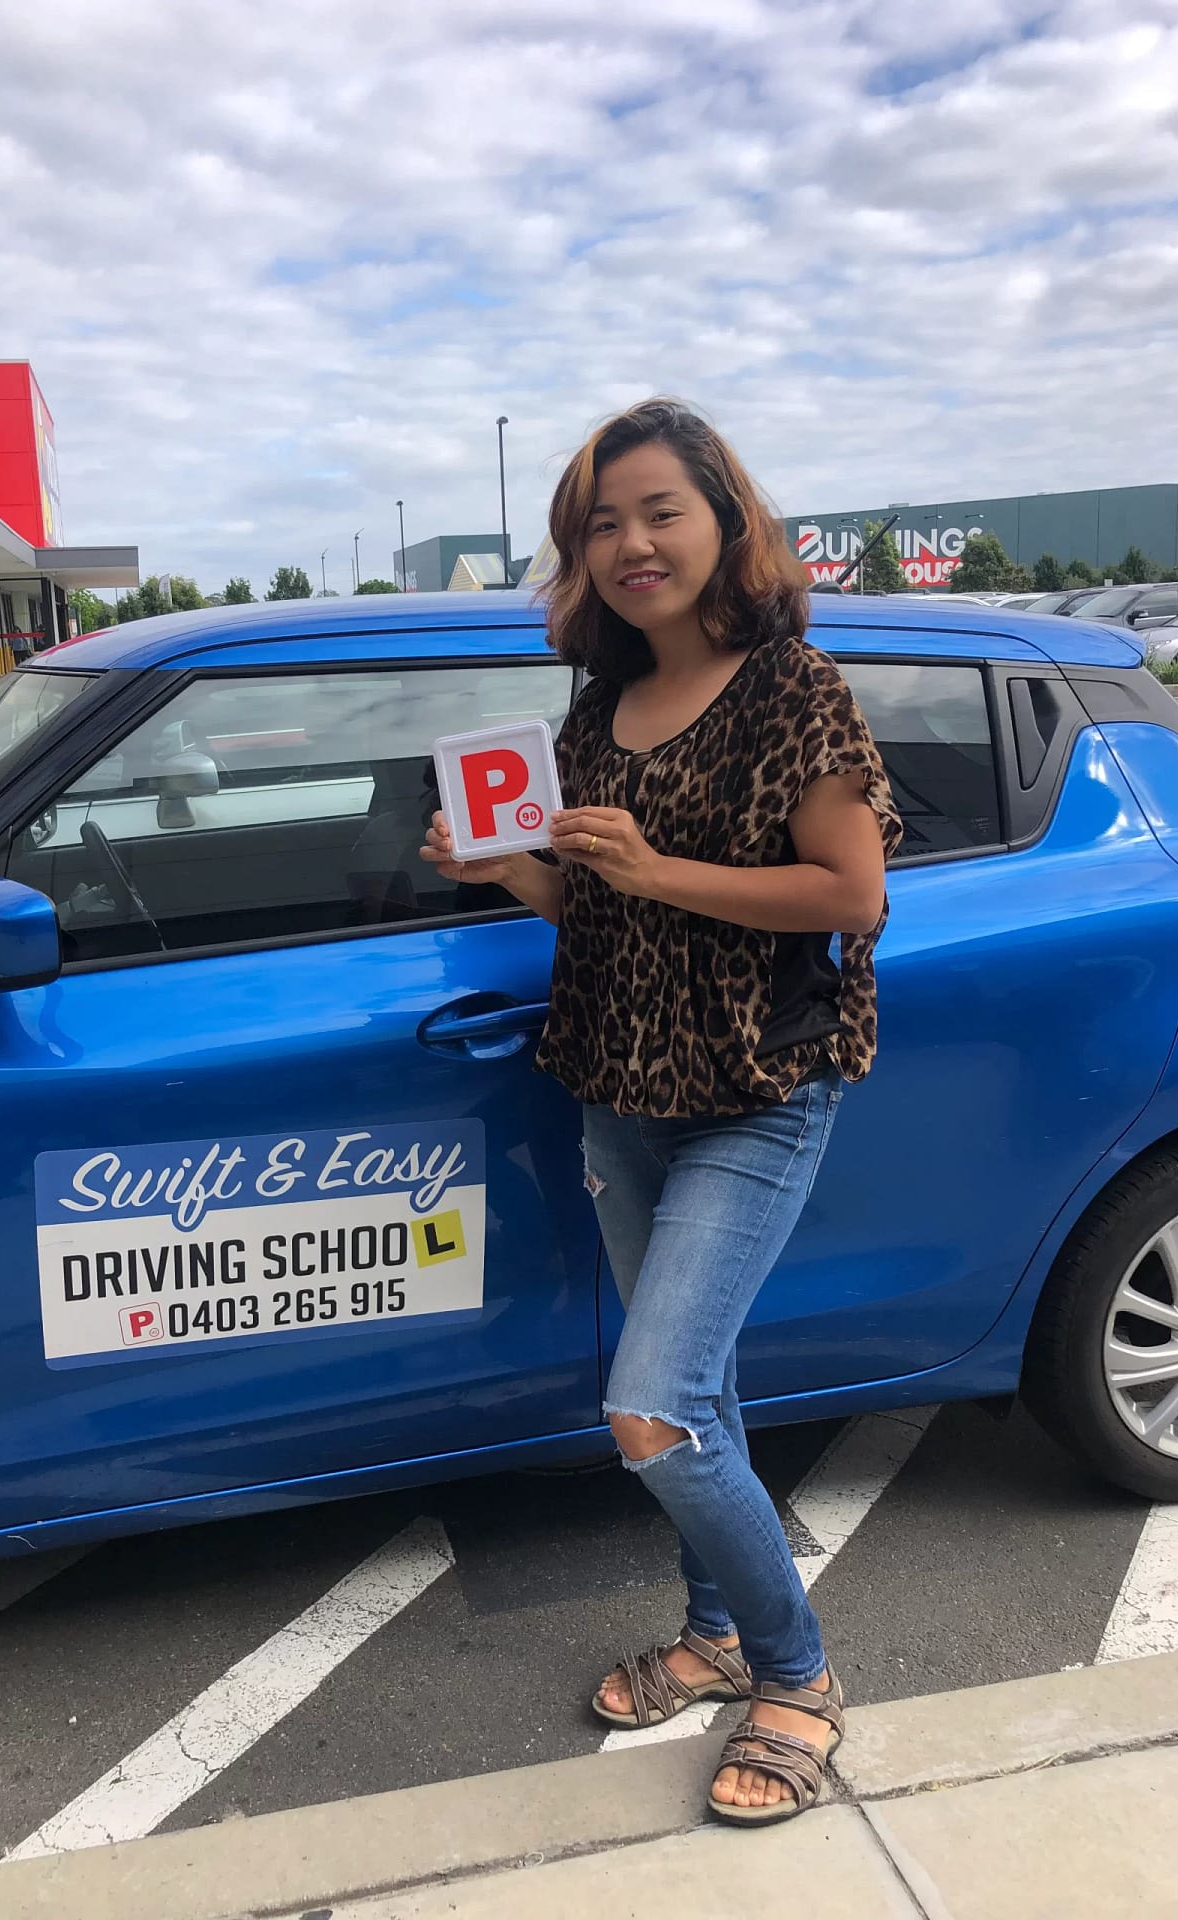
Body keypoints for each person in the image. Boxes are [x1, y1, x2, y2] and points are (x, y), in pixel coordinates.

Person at [422, 398, 900, 1827]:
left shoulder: (794, 688)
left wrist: (655, 866)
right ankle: (713, 1633)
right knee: (701, 1393)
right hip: (620, 1091)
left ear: (725, 522)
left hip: (757, 1092)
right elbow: (599, 911)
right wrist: (508, 871)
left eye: (659, 512)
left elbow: (853, 896)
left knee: (650, 1410)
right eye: (602, 525)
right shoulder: (601, 703)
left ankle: (799, 1675)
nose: (632, 543)